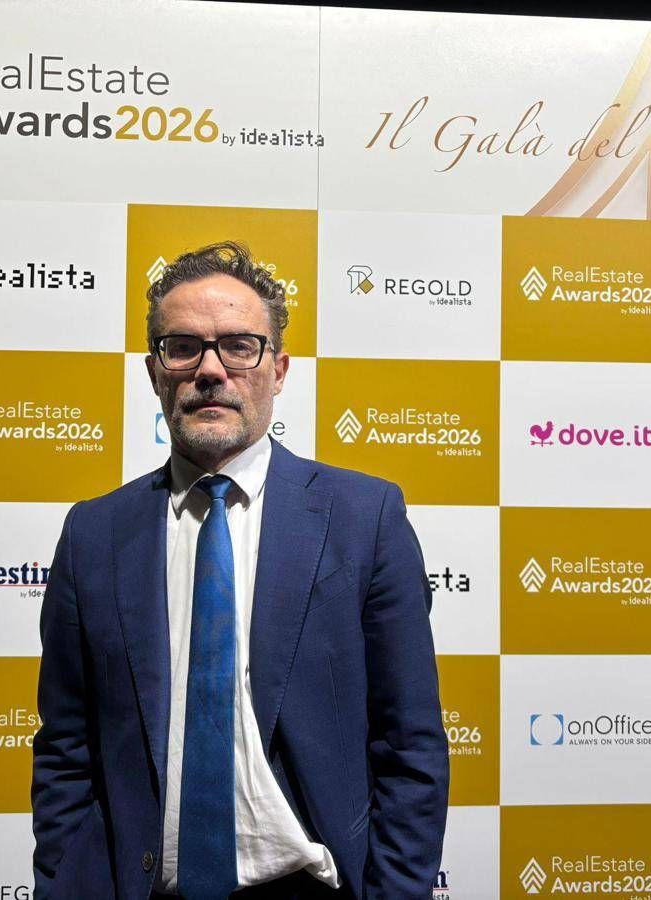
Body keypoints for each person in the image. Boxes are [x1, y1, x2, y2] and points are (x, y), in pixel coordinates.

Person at [31, 241, 448, 899]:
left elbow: (410, 744)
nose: (210, 369)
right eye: (183, 347)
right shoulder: (94, 534)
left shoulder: (365, 518)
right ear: (154, 372)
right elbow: (65, 749)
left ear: (278, 370)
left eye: (239, 347)